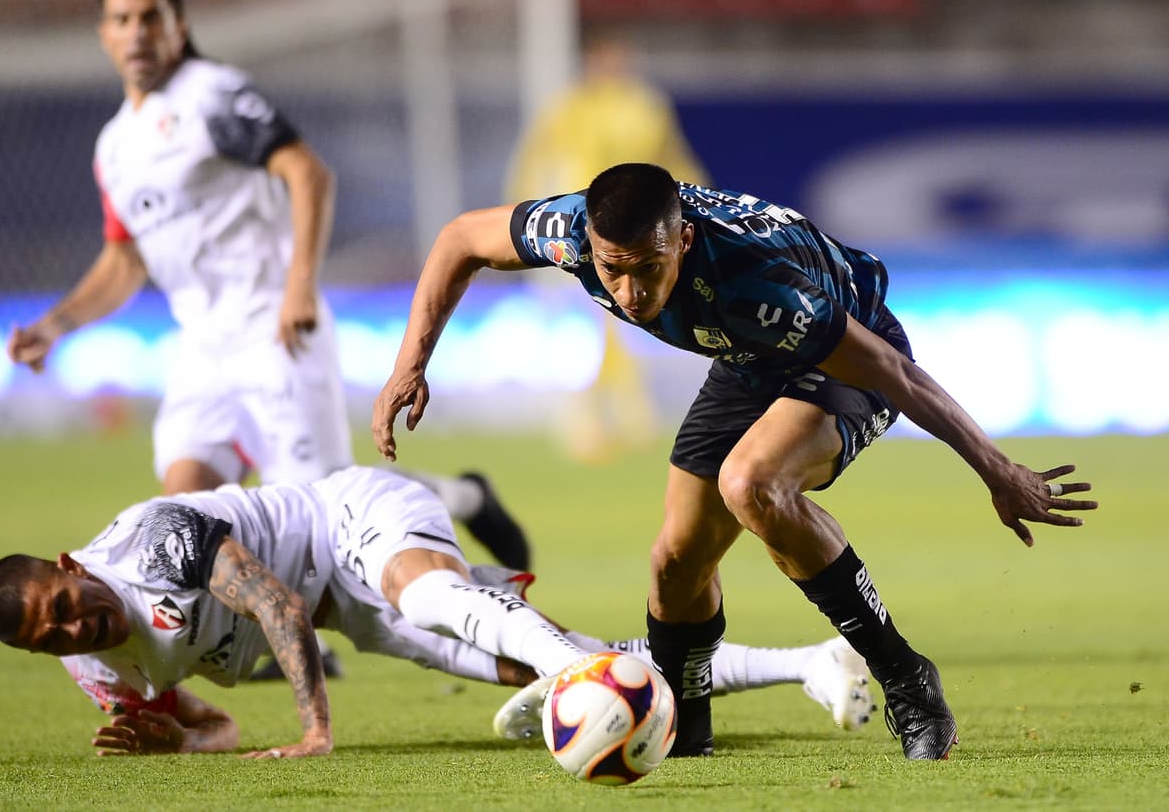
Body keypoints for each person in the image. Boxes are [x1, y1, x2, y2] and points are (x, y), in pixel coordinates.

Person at [371, 162, 1099, 761]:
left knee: (752, 483)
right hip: (747, 358)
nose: (629, 292)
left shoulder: (758, 282)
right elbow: (460, 238)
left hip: (852, 353)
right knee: (674, 564)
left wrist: (996, 470)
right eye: (612, 269)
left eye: (648, 269)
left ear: (683, 241)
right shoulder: (568, 232)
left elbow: (892, 374)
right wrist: (410, 363)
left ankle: (907, 678)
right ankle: (684, 719)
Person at [3, 0, 529, 576]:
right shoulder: (114, 147)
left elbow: (308, 173)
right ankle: (258, 640)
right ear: (104, 35)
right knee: (184, 510)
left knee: (324, 511)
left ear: (180, 26)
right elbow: (125, 258)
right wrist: (56, 325)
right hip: (202, 347)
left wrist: (298, 286)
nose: (138, 33)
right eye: (123, 20)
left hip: (275, 327)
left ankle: (463, 505)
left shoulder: (211, 95)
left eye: (152, 17)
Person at [0, 466, 876, 757]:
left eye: (61, 605)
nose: (69, 628)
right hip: (345, 608)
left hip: (349, 519)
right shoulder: (97, 671)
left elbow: (275, 603)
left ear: (67, 566)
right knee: (563, 658)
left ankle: (573, 679)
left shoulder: (152, 545)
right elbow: (211, 719)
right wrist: (178, 738)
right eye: (45, 637)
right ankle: (809, 662)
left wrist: (316, 727)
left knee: (436, 596)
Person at [503, 30, 709, 463]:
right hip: (575, 225)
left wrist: (699, 202)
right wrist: (521, 221)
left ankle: (629, 414)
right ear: (593, 60)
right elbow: (535, 160)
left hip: (633, 226)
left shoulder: (645, 106)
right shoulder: (570, 108)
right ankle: (583, 419)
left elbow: (671, 157)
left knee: (626, 318)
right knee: (581, 323)